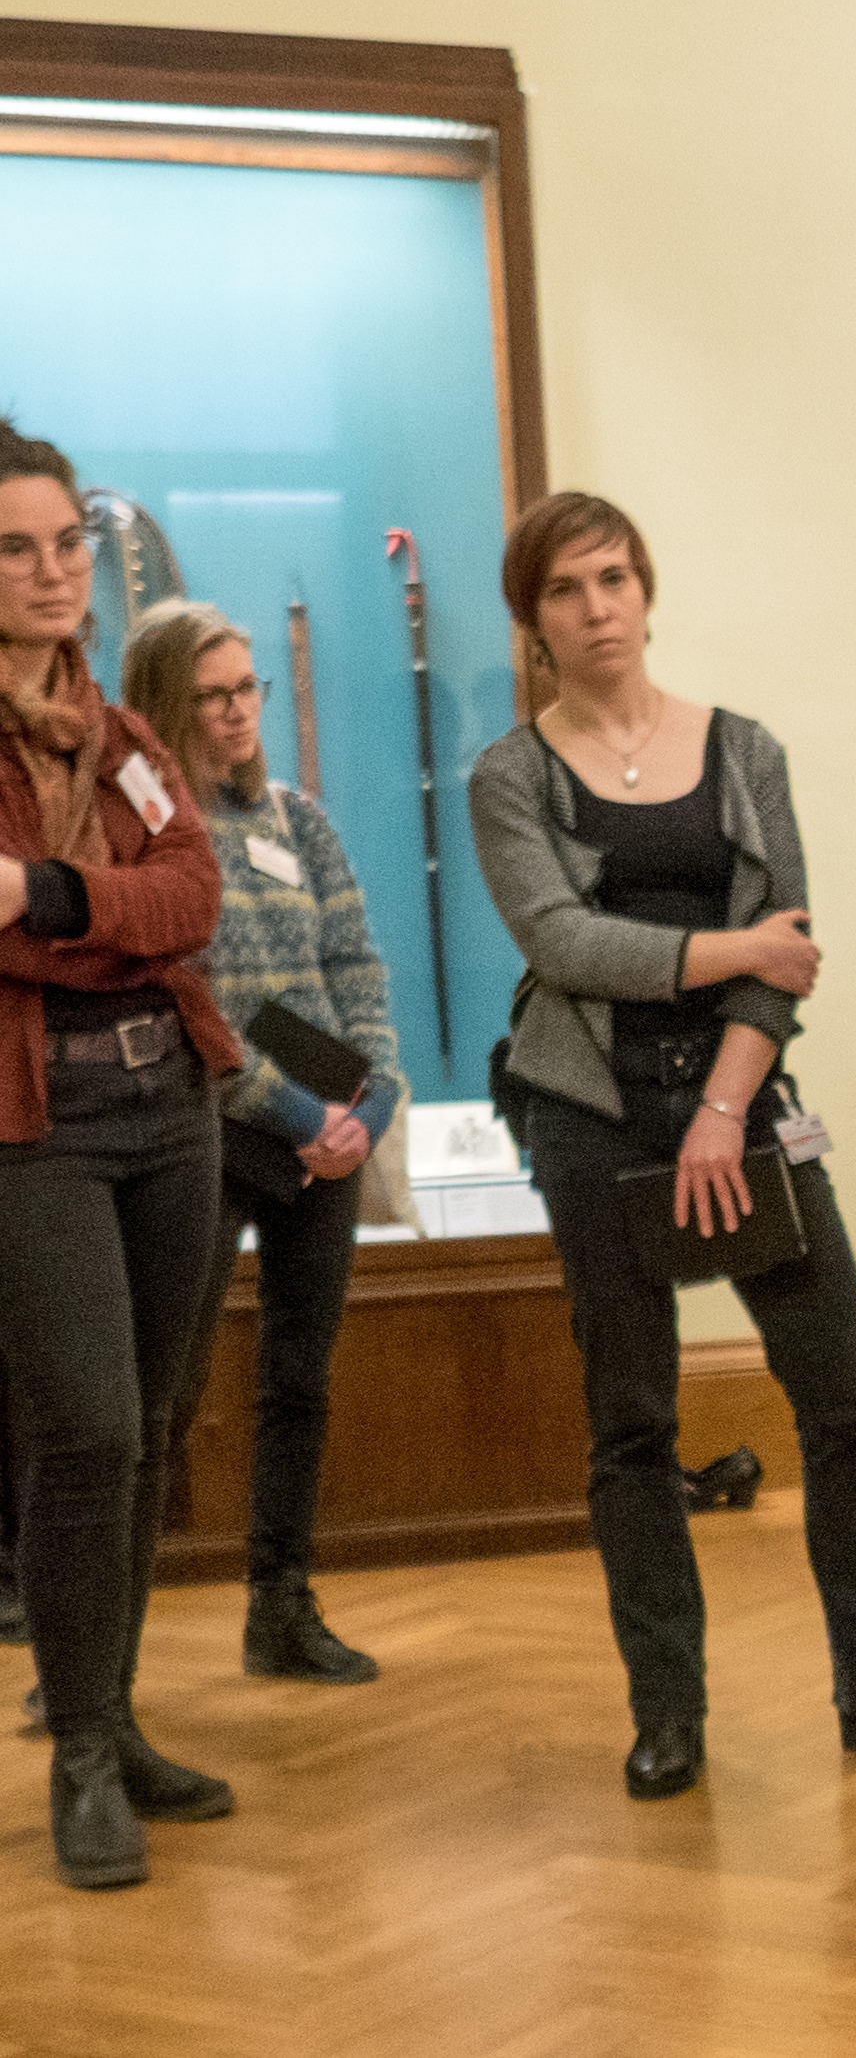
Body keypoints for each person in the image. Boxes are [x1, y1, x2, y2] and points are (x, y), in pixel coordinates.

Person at [470, 491, 856, 1803]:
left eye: (616, 576)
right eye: (567, 588)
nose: (598, 605)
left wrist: (729, 1106)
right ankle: (667, 1710)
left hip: (743, 1105)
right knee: (633, 1425)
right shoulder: (512, 772)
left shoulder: (743, 747)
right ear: (535, 620)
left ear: (647, 589)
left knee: (844, 1403)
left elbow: (786, 964)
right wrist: (736, 947)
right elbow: (564, 943)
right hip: (591, 1114)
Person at [0, 415, 240, 1890]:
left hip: (173, 1109)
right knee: (85, 1429)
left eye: (65, 544)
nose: (49, 572)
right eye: (15, 549)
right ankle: (81, 1747)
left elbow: (192, 897)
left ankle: (120, 1712)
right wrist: (105, 911)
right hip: (39, 1129)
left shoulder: (120, 728)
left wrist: (45, 897)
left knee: (152, 1426)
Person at [123, 600, 399, 1686]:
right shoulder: (150, 839)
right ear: (165, 704)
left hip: (326, 1145)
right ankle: (96, 1647)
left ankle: (280, 1605)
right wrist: (294, 1111)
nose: (239, 713)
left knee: (301, 1380)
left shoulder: (300, 821)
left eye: (249, 690)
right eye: (214, 695)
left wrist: (368, 1108)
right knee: (160, 1397)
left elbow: (359, 967)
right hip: (208, 1133)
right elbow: (190, 1001)